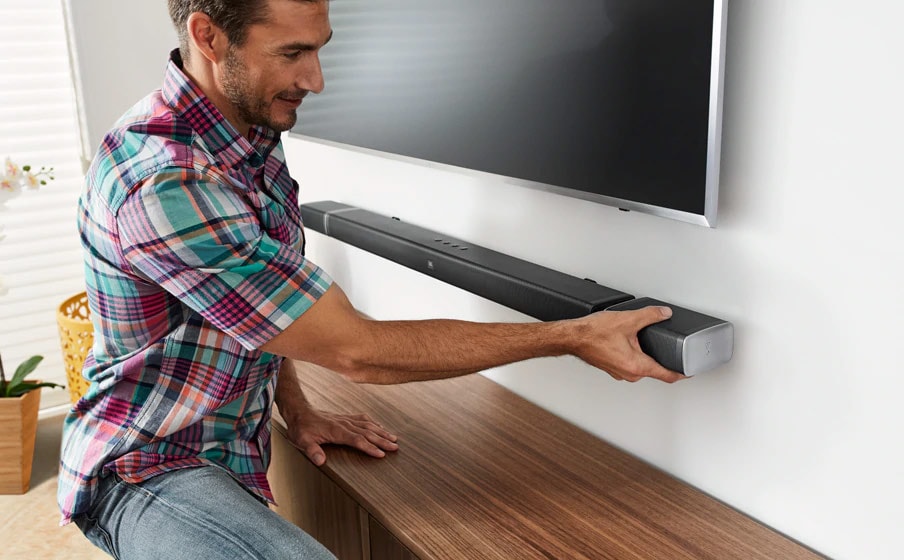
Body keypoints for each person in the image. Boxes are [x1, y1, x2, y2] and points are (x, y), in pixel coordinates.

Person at [58, 1, 685, 558]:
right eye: (292, 53)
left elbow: (262, 307)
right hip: (147, 465)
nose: (316, 80)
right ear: (209, 37)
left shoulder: (246, 130)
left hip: (226, 448)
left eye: (319, 48)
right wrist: (571, 336)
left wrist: (296, 408)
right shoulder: (168, 180)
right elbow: (357, 352)